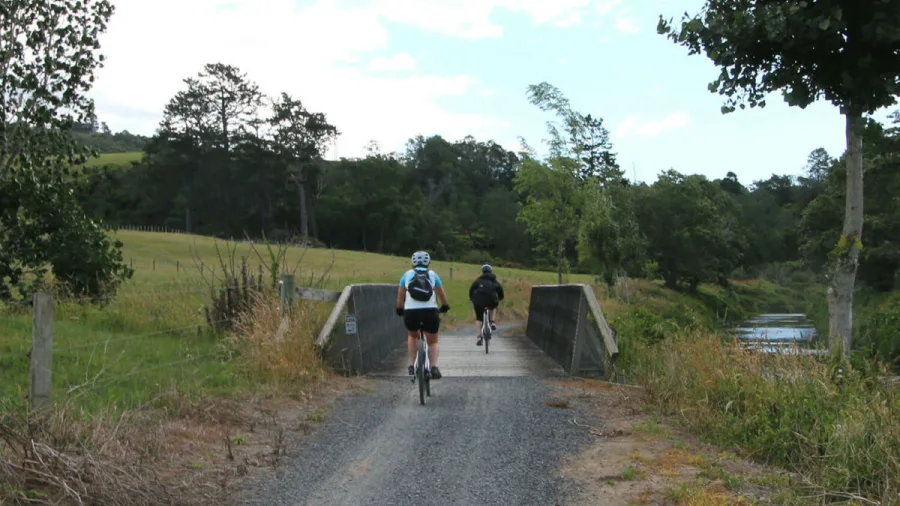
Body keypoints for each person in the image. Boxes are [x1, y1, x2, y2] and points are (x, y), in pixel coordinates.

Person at [395, 250, 450, 379]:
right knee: (433, 341)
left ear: (412, 262)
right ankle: (433, 367)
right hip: (430, 312)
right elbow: (441, 294)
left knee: (412, 336)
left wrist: (399, 309)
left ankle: (411, 365)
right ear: (428, 262)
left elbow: (400, 296)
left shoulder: (407, 275)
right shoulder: (432, 275)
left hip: (411, 312)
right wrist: (445, 306)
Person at [469, 264, 504, 346]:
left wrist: (472, 298)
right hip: (491, 301)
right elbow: (500, 290)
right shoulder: (494, 280)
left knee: (478, 318)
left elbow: (471, 290)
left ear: (482, 271)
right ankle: (492, 322)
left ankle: (479, 337)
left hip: (478, 302)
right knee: (494, 306)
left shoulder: (478, 280)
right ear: (491, 271)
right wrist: (500, 298)